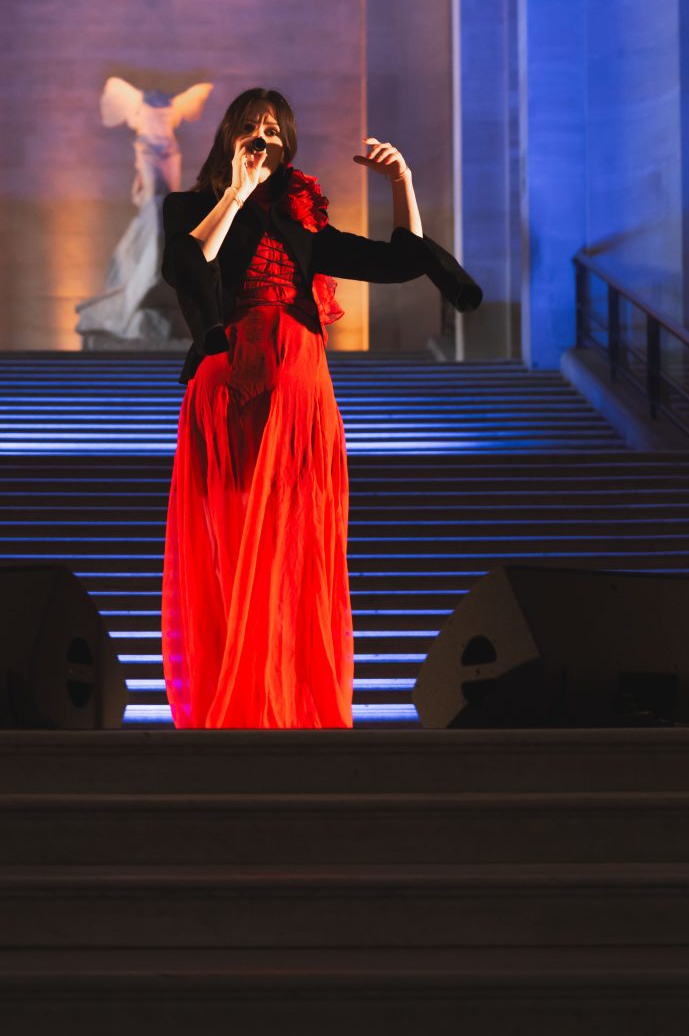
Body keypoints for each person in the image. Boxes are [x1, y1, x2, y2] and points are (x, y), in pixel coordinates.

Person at [159, 86, 482, 730]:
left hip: (301, 386)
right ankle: (236, 699)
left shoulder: (302, 222)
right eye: (251, 127)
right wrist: (237, 191)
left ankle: (288, 699)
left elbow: (397, 262)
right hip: (232, 382)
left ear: (289, 146)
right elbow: (186, 265)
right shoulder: (191, 207)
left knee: (294, 541)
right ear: (229, 137)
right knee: (235, 537)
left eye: (274, 130)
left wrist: (402, 181)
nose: (263, 138)